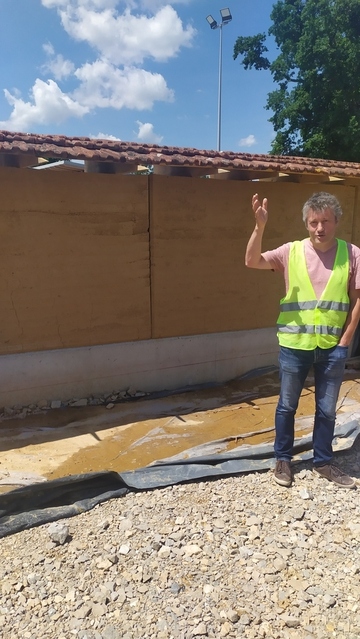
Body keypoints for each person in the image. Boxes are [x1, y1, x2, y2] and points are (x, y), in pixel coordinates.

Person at [245, 191, 360, 488]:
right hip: (294, 345)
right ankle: (283, 459)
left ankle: (323, 460)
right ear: (306, 224)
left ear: (336, 221)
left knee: (327, 409)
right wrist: (260, 227)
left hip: (333, 346)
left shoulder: (352, 254)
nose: (319, 228)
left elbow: (356, 299)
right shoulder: (290, 252)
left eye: (325, 221)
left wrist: (346, 339)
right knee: (286, 405)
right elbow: (252, 261)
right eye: (313, 222)